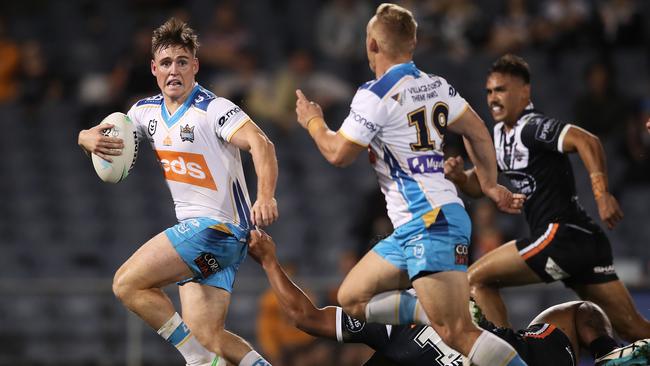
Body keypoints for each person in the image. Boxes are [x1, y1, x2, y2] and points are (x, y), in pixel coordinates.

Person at [294, 3, 527, 365]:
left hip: (430, 222)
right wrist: (490, 184)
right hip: (416, 225)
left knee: (457, 333)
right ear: (413, 42)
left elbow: (338, 154)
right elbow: (479, 133)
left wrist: (312, 121)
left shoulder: (375, 94)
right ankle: (429, 309)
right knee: (353, 298)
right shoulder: (435, 85)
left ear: (371, 44)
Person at [77, 18, 278, 366]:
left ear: (195, 66)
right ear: (154, 68)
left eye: (182, 62)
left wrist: (265, 196)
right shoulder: (144, 112)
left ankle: (196, 360)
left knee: (126, 283)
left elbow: (261, 144)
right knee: (209, 335)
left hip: (215, 229)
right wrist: (85, 138)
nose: (174, 70)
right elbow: (105, 136)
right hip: (213, 246)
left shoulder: (214, 109)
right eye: (167, 63)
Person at [444, 54, 650, 342]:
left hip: (559, 235)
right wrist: (459, 178)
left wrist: (602, 195)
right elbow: (482, 184)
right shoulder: (501, 136)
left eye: (501, 89)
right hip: (583, 240)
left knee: (475, 279)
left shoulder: (532, 127)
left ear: (524, 92)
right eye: (489, 91)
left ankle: (507, 359)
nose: (493, 98)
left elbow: (586, 140)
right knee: (635, 330)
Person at [247, 229, 650, 366]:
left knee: (580, 313)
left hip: (513, 352)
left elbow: (581, 313)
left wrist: (604, 351)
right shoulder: (386, 323)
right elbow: (305, 316)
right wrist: (268, 262)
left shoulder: (446, 304)